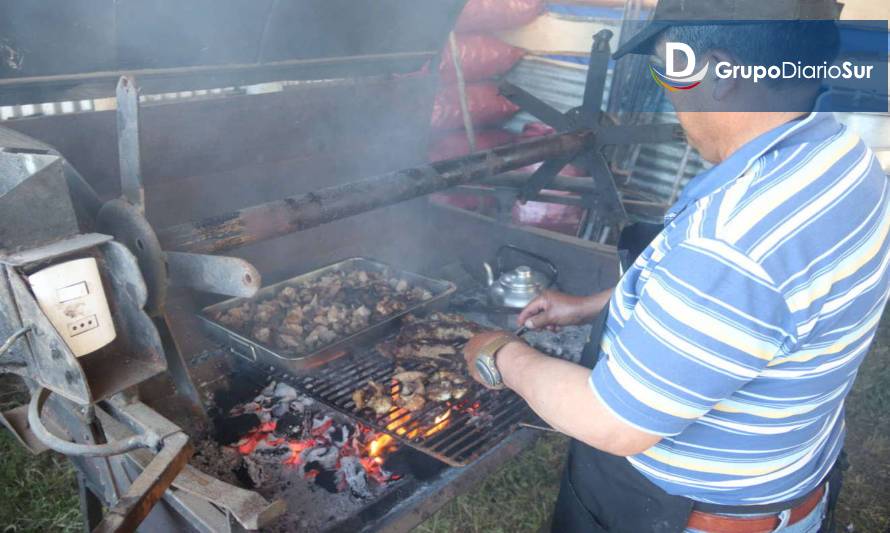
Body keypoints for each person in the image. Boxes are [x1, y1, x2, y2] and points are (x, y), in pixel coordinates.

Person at [462, 1, 890, 531]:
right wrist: (596, 305)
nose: (668, 93)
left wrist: (501, 355)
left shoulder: (735, 242)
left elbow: (614, 423)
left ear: (719, 73)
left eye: (669, 68)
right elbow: (751, 311)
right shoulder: (840, 155)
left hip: (685, 515)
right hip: (787, 476)